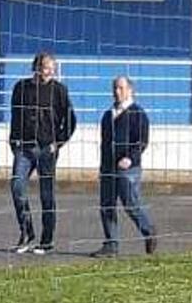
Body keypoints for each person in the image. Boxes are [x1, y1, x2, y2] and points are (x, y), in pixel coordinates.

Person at [8, 51, 76, 255]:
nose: (48, 72)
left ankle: (47, 240)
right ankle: (27, 232)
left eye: (51, 68)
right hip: (25, 148)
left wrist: (59, 142)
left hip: (47, 149)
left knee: (47, 194)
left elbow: (71, 120)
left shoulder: (59, 91)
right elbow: (14, 115)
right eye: (45, 67)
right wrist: (14, 141)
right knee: (17, 186)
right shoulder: (21, 88)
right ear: (36, 67)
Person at [90, 76, 156, 258]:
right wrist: (102, 167)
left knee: (130, 203)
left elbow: (142, 141)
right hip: (108, 168)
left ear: (130, 90)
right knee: (107, 206)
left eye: (121, 88)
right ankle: (111, 244)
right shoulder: (108, 115)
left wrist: (130, 157)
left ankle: (148, 230)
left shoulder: (137, 113)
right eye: (115, 88)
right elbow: (104, 143)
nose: (117, 92)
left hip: (128, 169)